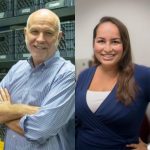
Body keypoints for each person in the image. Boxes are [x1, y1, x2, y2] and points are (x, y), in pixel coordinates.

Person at [0, 8, 75, 150]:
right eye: (34, 31)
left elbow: (40, 131)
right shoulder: (17, 68)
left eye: (48, 33)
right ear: (25, 34)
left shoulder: (67, 74)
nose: (40, 39)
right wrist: (25, 109)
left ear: (59, 37)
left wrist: (5, 114)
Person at [75, 16, 150, 150]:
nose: (107, 48)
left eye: (115, 41)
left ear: (124, 45)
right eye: (101, 41)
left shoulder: (143, 76)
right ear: (94, 44)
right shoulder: (84, 76)